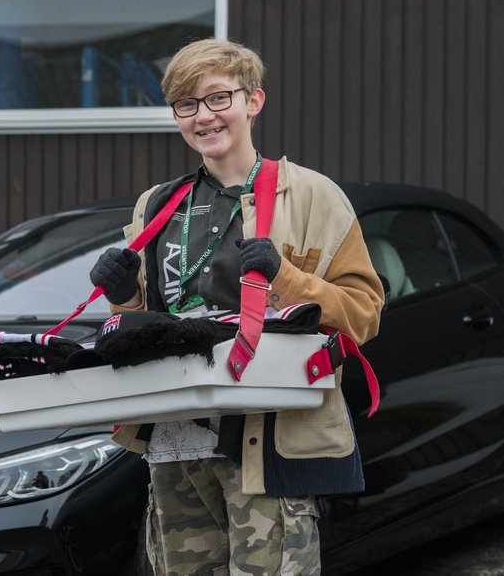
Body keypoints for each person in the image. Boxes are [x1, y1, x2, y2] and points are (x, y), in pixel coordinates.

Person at [89, 37, 384, 575]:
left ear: (254, 101)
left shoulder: (312, 196)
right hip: (176, 439)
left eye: (219, 98)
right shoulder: (155, 206)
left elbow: (364, 314)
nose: (204, 117)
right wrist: (123, 298)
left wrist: (287, 278)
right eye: (187, 104)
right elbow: (144, 329)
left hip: (266, 443)